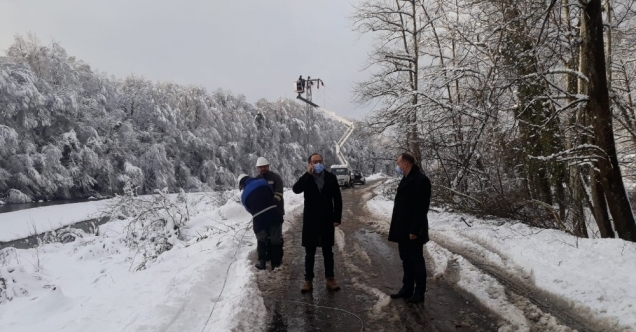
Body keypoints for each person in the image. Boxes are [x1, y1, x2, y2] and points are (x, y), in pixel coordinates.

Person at [292, 153, 342, 293]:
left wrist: (337, 218)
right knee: (309, 253)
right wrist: (307, 174)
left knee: (328, 251)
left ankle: (330, 279)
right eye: (314, 162)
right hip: (311, 220)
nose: (317, 164)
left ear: (323, 162)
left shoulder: (331, 178)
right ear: (310, 164)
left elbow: (337, 199)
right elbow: (296, 190)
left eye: (319, 161)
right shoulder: (307, 178)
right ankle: (308, 281)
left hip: (327, 219)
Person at [388, 152, 431, 304]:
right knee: (406, 259)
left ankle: (419, 292)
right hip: (402, 229)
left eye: (398, 163)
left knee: (416, 261)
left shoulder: (421, 180)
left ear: (405, 164)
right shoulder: (406, 178)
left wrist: (414, 230)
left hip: (413, 230)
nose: (397, 166)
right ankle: (407, 288)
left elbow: (421, 208)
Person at [238, 173, 284, 271]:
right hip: (273, 214)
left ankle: (262, 263)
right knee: (276, 240)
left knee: (261, 240)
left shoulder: (243, 196)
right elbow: (272, 195)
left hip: (259, 219)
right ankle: (276, 264)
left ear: (242, 185)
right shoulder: (263, 182)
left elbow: (249, 210)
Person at [255, 157, 285, 266]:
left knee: (275, 239)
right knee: (262, 238)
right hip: (263, 216)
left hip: (276, 214)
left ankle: (276, 262)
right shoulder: (256, 180)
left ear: (268, 166)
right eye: (260, 167)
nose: (262, 169)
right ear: (257, 168)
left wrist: (270, 203)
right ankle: (262, 260)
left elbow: (279, 194)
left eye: (264, 166)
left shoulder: (276, 178)